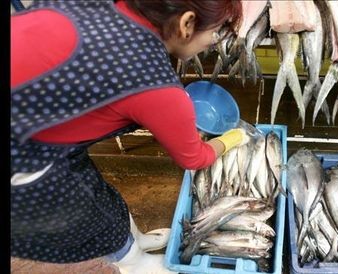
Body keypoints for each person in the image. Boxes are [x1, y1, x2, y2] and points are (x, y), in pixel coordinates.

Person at [10, 0, 245, 273]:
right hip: (23, 161)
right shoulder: (156, 87)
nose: (213, 43)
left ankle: (135, 242)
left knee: (99, 194)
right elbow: (195, 157)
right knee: (88, 221)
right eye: (216, 33)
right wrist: (232, 139)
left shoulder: (97, 5)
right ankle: (134, 264)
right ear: (187, 23)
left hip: (44, 130)